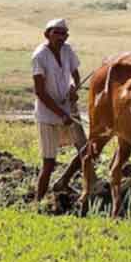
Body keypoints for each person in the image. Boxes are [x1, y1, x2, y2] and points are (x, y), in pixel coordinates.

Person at [32, 18, 87, 202]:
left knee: (85, 151)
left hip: (68, 110)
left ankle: (64, 181)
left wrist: (74, 88)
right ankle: (37, 203)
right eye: (56, 33)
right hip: (48, 114)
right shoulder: (39, 56)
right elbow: (40, 91)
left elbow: (75, 74)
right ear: (47, 34)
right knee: (49, 163)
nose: (60, 37)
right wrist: (61, 114)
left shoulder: (67, 50)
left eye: (64, 34)